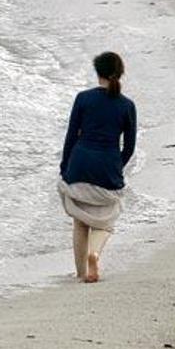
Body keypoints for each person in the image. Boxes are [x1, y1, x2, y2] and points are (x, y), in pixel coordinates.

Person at [57, 51, 136, 283]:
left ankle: (81, 273)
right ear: (120, 73)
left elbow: (71, 137)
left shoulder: (83, 98)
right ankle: (94, 254)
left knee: (80, 221)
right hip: (107, 166)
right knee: (107, 221)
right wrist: (115, 166)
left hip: (79, 164)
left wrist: (66, 168)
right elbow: (129, 147)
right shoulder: (127, 106)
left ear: (97, 72)